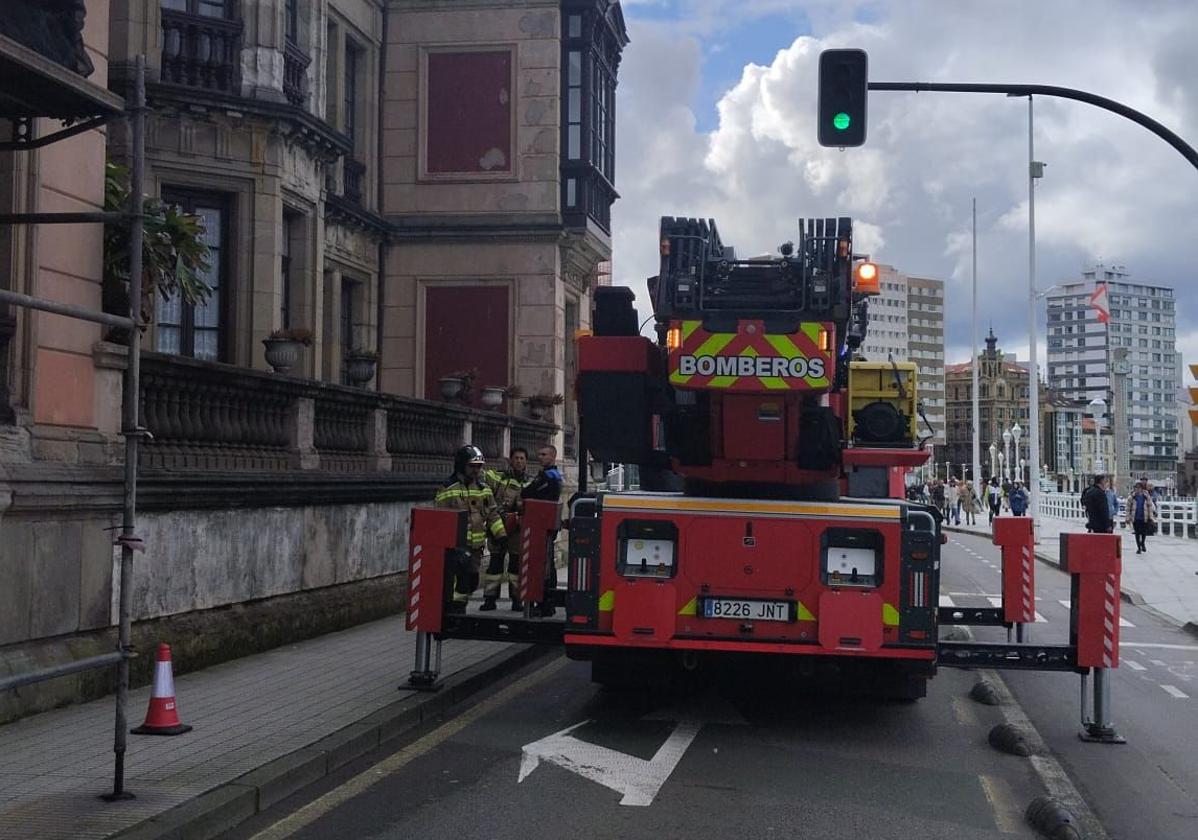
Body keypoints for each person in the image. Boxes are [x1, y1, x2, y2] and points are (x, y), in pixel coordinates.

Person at [435, 445, 507, 613]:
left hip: (476, 549)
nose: (476, 470)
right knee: (458, 582)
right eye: (472, 466)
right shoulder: (448, 488)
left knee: (472, 581)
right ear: (461, 465)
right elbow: (440, 518)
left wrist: (501, 535)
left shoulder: (483, 489)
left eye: (479, 466)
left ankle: (459, 607)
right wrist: (450, 546)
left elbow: (493, 515)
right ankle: (455, 611)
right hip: (456, 548)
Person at [482, 447, 532, 611]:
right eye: (516, 458)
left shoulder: (530, 481)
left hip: (517, 530)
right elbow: (485, 491)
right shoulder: (499, 477)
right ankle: (490, 599)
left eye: (522, 458)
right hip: (498, 527)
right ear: (510, 460)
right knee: (495, 564)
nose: (519, 461)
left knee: (516, 566)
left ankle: (516, 600)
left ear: (526, 461)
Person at [521, 444, 564, 616]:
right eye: (539, 454)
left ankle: (546, 603)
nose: (540, 457)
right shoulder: (552, 475)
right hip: (546, 525)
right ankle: (547, 602)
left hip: (541, 525)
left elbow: (528, 493)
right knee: (547, 564)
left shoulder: (549, 477)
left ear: (553, 456)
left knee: (543, 565)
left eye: (544, 454)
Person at [1125, 480, 1157, 554]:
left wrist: (1151, 517)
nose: (1137, 489)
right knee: (1137, 533)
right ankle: (1138, 547)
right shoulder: (1132, 497)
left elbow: (1150, 507)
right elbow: (1128, 508)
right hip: (1135, 517)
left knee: (1143, 532)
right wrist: (1127, 517)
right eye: (1136, 488)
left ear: (1142, 489)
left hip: (1144, 517)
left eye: (1139, 488)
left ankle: (1142, 543)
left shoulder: (1146, 496)